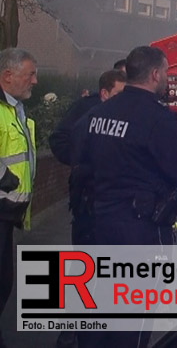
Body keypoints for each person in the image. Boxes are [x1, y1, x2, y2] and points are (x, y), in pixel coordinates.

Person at [81, 46, 177, 246]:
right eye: (166, 71)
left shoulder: (99, 112)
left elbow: (79, 152)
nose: (167, 77)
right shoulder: (157, 118)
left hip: (101, 221)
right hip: (141, 228)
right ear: (155, 74)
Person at [49, 69, 126, 247]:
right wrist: (81, 161)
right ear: (104, 93)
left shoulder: (127, 113)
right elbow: (58, 140)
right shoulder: (84, 109)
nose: (123, 100)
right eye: (118, 94)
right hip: (87, 198)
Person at [0, 48, 36, 346]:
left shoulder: (16, 108)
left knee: (4, 283)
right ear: (7, 75)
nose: (35, 81)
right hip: (1, 208)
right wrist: (6, 179)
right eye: (30, 74)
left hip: (9, 214)